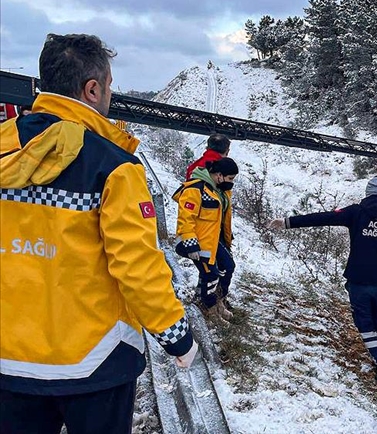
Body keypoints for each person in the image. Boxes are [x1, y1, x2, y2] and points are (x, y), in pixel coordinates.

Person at [0, 33, 196, 434]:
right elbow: (136, 265)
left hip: (8, 361)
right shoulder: (115, 166)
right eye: (109, 85)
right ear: (92, 89)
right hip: (96, 362)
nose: (109, 93)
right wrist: (176, 337)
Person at [269, 177, 377, 384]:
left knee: (364, 323)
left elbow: (324, 217)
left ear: (367, 194)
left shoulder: (356, 212)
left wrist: (288, 222)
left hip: (358, 279)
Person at [174, 157, 238, 322]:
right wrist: (191, 244)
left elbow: (222, 218)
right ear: (219, 175)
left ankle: (219, 301)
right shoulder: (195, 189)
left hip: (213, 240)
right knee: (211, 275)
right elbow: (185, 218)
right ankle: (209, 308)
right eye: (230, 178)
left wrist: (227, 238)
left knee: (228, 267)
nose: (231, 182)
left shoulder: (220, 191)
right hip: (197, 243)